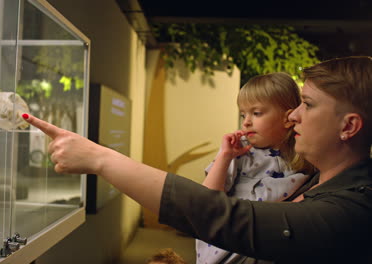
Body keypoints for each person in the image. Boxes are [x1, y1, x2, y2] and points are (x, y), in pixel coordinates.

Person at [22, 56, 372, 263]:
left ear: (349, 126)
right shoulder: (318, 179)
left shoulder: (352, 210)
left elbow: (224, 217)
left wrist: (100, 159)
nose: (293, 115)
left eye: (307, 105)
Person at [196, 72, 313, 264]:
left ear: (288, 118)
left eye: (256, 113)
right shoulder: (239, 149)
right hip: (224, 244)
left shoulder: (301, 155)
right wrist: (225, 157)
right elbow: (207, 198)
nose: (246, 122)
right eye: (243, 114)